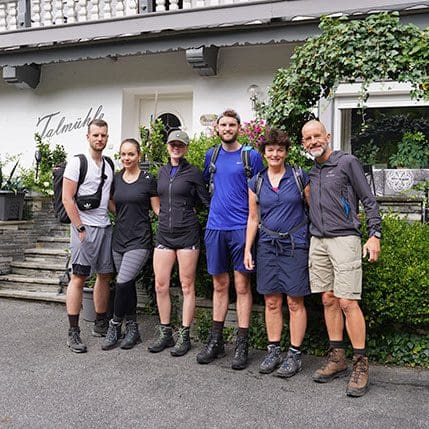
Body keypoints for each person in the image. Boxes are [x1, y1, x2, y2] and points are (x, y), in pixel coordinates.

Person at [301, 119, 381, 397]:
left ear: (328, 136)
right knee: (328, 299)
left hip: (345, 238)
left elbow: (369, 199)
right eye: (308, 138)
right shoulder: (310, 172)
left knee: (348, 301)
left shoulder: (347, 163)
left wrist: (375, 234)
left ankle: (361, 364)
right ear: (303, 144)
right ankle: (338, 358)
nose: (313, 141)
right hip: (318, 241)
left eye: (317, 136)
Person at [197, 109, 264, 370]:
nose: (227, 128)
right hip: (215, 228)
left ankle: (242, 344)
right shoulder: (211, 155)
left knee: (242, 286)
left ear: (239, 128)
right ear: (217, 128)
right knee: (219, 285)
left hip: (241, 228)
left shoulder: (251, 156)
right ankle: (216, 341)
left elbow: (259, 190)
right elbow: (206, 186)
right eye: (223, 124)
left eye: (232, 124)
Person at [244, 128, 310, 377]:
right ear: (264, 153)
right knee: (272, 301)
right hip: (267, 245)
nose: (275, 154)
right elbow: (253, 218)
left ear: (286, 152)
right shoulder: (256, 181)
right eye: (270, 150)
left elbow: (312, 209)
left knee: (294, 301)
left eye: (279, 150)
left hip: (295, 244)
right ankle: (273, 351)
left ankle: (294, 355)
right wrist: (248, 249)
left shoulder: (298, 176)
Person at [147, 130, 210, 357]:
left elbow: (205, 200)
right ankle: (165, 333)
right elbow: (154, 194)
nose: (176, 148)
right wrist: (159, 213)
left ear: (186, 148)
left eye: (180, 145)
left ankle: (184, 335)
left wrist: (189, 212)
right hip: (164, 234)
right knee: (161, 285)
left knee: (186, 286)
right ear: (167, 146)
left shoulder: (193, 172)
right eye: (173, 144)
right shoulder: (161, 172)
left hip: (187, 234)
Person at [102, 138, 160, 351]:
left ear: (139, 155)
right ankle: (133, 328)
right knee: (128, 284)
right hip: (119, 239)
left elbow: (157, 209)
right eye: (123, 154)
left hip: (139, 239)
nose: (127, 158)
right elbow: (110, 201)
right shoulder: (116, 179)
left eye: (131, 154)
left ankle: (115, 325)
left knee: (123, 281)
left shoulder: (147, 179)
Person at [63, 119, 115, 353]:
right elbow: (67, 198)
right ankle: (73, 332)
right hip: (84, 229)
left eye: (103, 135)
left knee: (104, 276)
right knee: (79, 277)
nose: (100, 139)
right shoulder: (77, 163)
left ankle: (100, 323)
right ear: (88, 137)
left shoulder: (109, 164)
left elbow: (109, 200)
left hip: (105, 227)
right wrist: (80, 228)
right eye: (96, 135)